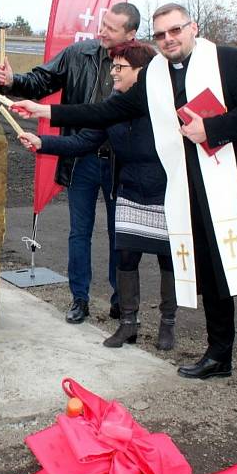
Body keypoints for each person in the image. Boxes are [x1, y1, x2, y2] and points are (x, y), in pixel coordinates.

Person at [12, 3, 237, 404]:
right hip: (190, 191)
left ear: (193, 27)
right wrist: (47, 110)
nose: (168, 40)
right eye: (161, 35)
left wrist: (210, 127)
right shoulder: (157, 75)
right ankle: (219, 356)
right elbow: (108, 110)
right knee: (213, 279)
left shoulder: (228, 60)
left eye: (175, 30)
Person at [18, 40, 178, 350]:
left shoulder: (161, 101)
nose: (113, 73)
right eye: (112, 66)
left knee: (168, 260)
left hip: (165, 191)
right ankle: (128, 324)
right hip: (129, 189)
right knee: (127, 258)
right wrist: (42, 143)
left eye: (120, 67)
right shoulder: (115, 104)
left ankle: (167, 324)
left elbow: (89, 112)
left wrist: (42, 109)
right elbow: (83, 140)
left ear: (141, 71)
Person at [0, 2, 141, 324]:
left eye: (112, 28)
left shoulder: (141, 65)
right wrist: (12, 80)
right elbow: (41, 80)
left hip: (122, 163)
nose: (102, 31)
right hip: (81, 158)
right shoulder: (79, 55)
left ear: (130, 33)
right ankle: (80, 299)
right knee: (79, 232)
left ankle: (122, 301)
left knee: (122, 234)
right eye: (103, 24)